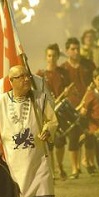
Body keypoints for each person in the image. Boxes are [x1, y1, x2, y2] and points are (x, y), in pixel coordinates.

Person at [0, 65, 58, 197]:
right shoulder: (0, 102)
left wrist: (48, 130)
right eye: (20, 77)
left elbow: (52, 120)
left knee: (43, 196)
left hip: (38, 157)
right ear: (11, 81)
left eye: (27, 75)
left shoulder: (40, 98)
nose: (26, 79)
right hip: (14, 161)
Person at [60, 37, 96, 178]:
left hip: (88, 105)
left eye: (77, 49)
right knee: (74, 137)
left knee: (90, 134)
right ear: (67, 51)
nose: (76, 52)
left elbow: (96, 80)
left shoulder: (88, 64)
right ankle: (75, 168)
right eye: (73, 49)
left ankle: (89, 162)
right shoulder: (63, 68)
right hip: (72, 107)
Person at [37, 43, 71, 179]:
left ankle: (60, 165)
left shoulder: (63, 73)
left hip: (60, 110)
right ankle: (51, 170)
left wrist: (67, 92)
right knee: (49, 142)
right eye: (49, 55)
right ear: (46, 57)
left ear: (58, 57)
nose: (51, 58)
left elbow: (69, 89)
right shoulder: (40, 74)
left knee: (60, 141)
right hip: (47, 112)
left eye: (54, 55)